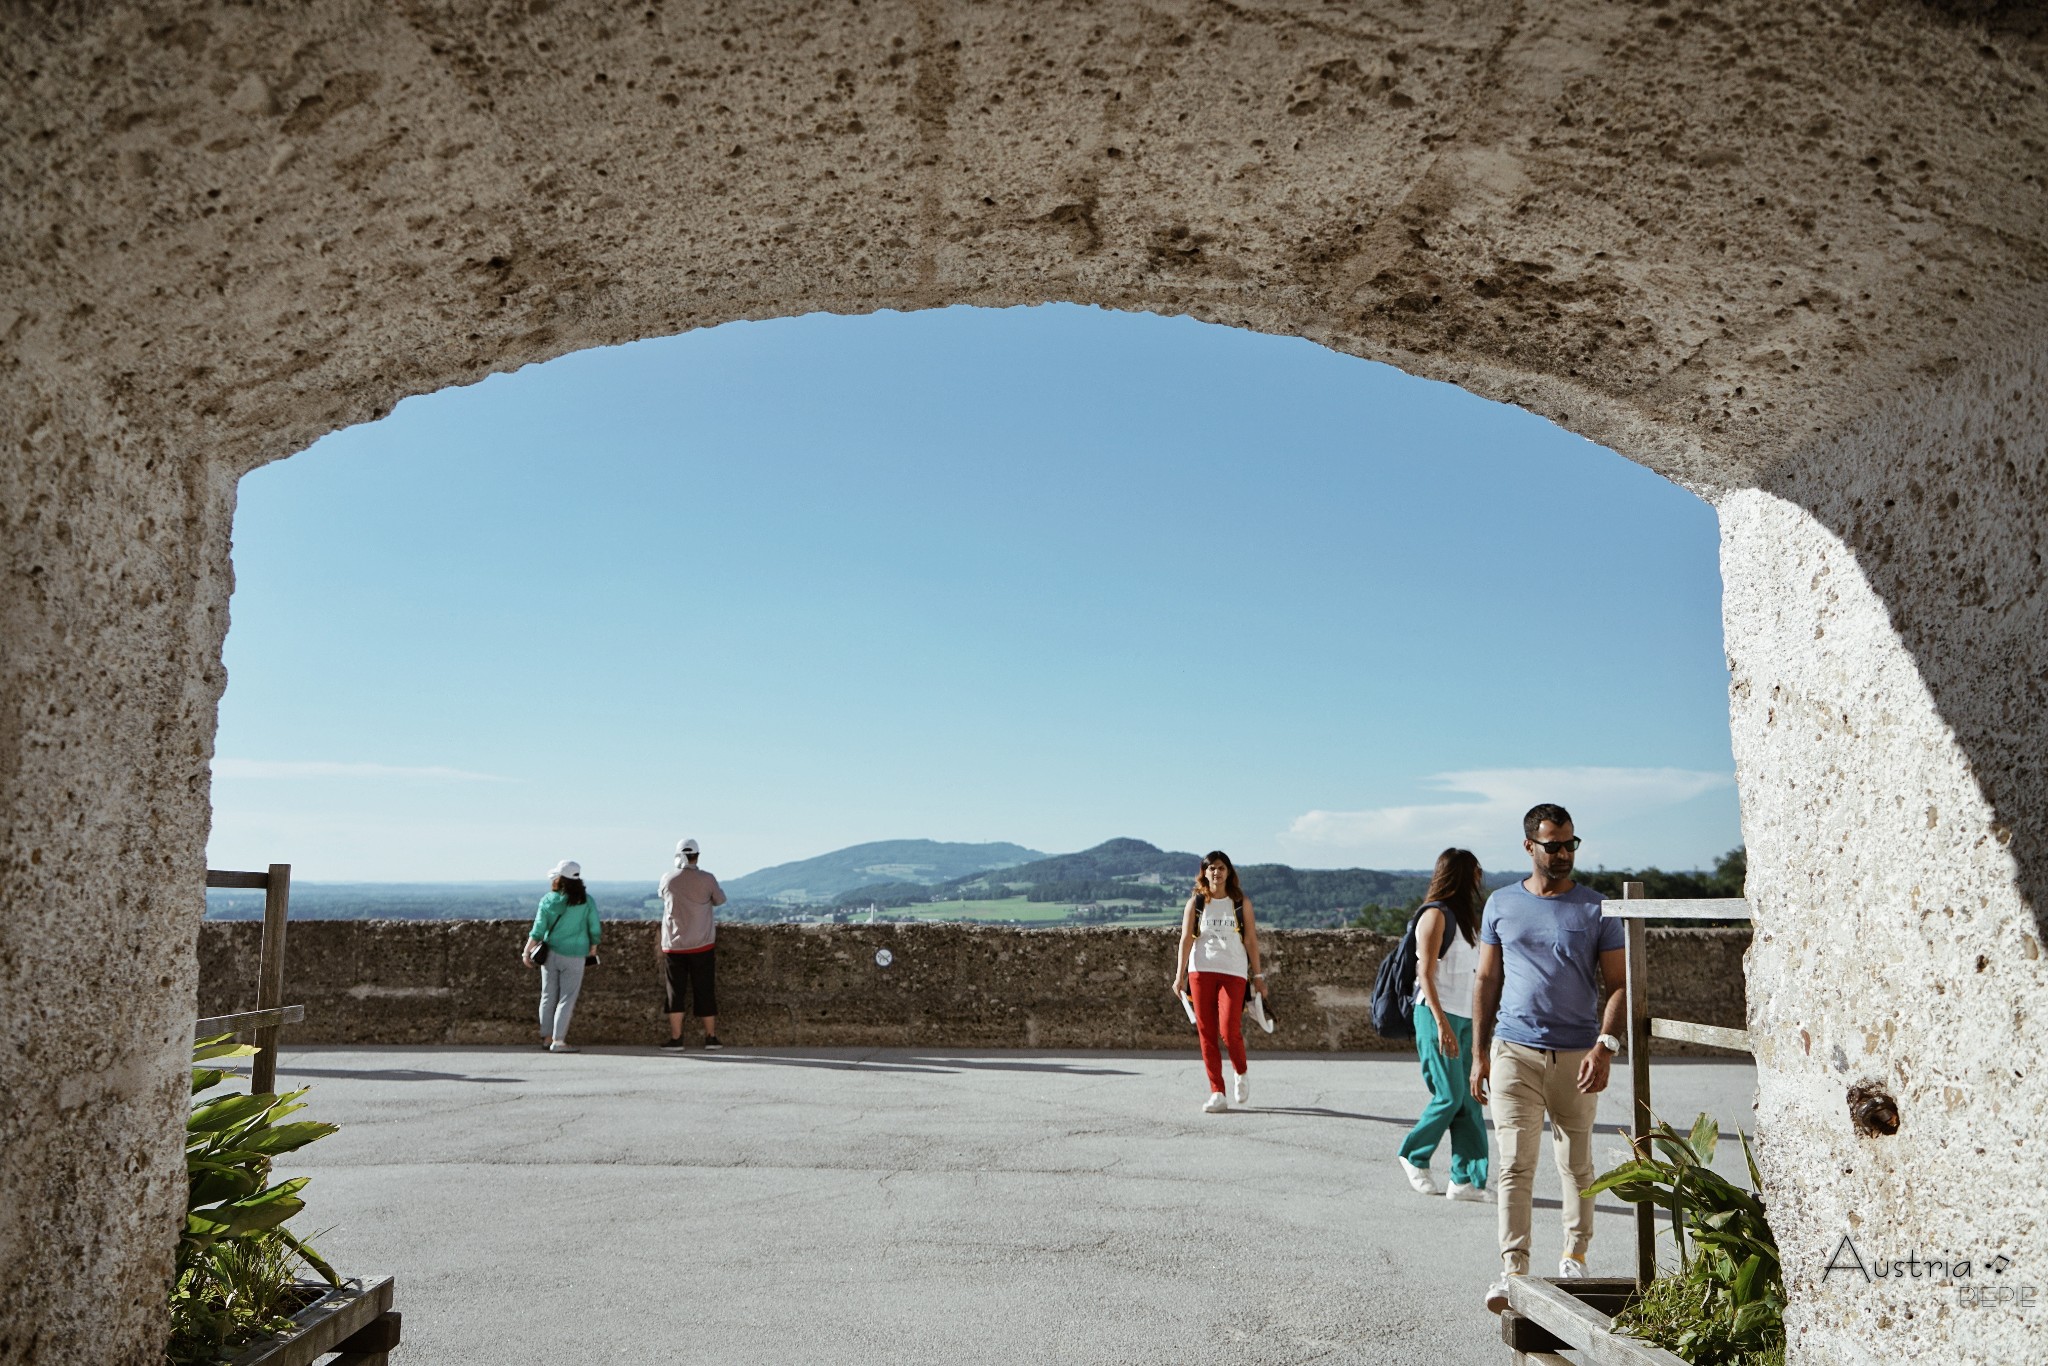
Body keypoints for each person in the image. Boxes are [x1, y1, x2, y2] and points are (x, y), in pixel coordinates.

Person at [1471, 804, 1628, 1312]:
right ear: (1529, 847)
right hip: (1513, 1048)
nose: (1563, 854)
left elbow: (1620, 985)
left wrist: (1606, 1046)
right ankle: (1512, 1271)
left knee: (1576, 1165)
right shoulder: (1500, 904)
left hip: (1578, 1052)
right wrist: (1478, 1055)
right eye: (1553, 845)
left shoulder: (1595, 908)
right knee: (1515, 1164)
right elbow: (1487, 980)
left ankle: (1574, 1258)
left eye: (1569, 844)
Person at [1396, 847, 1491, 1202]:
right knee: (1450, 1096)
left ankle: (1465, 1180)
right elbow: (1425, 973)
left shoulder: (1467, 920)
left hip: (1466, 1016)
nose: (1481, 877)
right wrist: (1440, 1023)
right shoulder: (1435, 915)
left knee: (1470, 1099)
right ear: (1462, 874)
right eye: (1476, 871)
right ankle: (1413, 1154)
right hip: (1436, 1015)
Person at [1170, 850, 1268, 1113]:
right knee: (1206, 1032)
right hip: (1200, 971)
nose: (1216, 872)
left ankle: (1241, 1072)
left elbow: (1250, 941)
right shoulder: (1197, 902)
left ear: (1229, 872)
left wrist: (1257, 977)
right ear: (1205, 872)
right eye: (1211, 868)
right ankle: (1217, 1092)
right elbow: (1186, 940)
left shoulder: (1240, 902)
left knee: (1228, 1030)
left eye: (1221, 867)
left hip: (1233, 971)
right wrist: (1180, 976)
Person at [525, 859, 603, 1054]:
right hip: (575, 954)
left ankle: (546, 1037)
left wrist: (527, 951)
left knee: (548, 995)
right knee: (567, 998)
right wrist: (593, 948)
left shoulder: (548, 900)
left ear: (559, 878)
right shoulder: (586, 900)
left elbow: (538, 930)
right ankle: (559, 1040)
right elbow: (594, 927)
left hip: (551, 952)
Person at [658, 837, 727, 1049]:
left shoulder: (668, 879)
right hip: (702, 945)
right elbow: (720, 900)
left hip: (674, 946)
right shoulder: (708, 879)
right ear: (697, 856)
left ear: (679, 856)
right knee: (704, 989)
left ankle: (677, 1038)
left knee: (675, 992)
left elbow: (662, 896)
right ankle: (711, 1036)